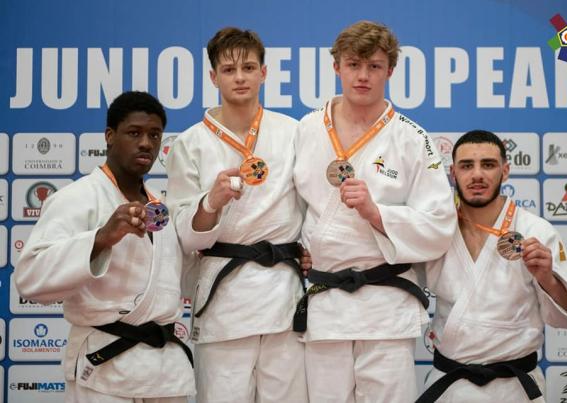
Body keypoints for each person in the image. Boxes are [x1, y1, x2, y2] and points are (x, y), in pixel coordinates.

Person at [292, 20, 457, 403]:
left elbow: (439, 226)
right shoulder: (308, 128)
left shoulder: (413, 138)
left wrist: (376, 213)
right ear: (337, 67)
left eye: (374, 66)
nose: (363, 76)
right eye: (353, 65)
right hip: (326, 302)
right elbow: (289, 207)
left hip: (386, 307)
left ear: (390, 70)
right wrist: (294, 248)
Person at [14, 91, 196, 402]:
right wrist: (101, 238)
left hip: (164, 370)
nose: (146, 143)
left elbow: (178, 278)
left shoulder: (160, 208)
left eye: (154, 135)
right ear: (110, 136)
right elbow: (29, 278)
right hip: (105, 365)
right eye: (134, 133)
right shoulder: (77, 198)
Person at [165, 27, 307, 403]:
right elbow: (184, 237)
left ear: (264, 72)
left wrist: (312, 249)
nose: (240, 77)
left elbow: (314, 206)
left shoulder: (294, 133)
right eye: (229, 70)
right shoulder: (190, 144)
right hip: (224, 299)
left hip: (284, 294)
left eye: (248, 67)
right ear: (214, 77)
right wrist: (210, 203)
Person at [415, 130, 567, 403]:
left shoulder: (535, 231)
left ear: (505, 171)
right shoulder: (436, 229)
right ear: (453, 173)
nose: (477, 175)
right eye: (466, 166)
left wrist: (548, 279)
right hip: (450, 385)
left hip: (515, 388)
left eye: (488, 164)